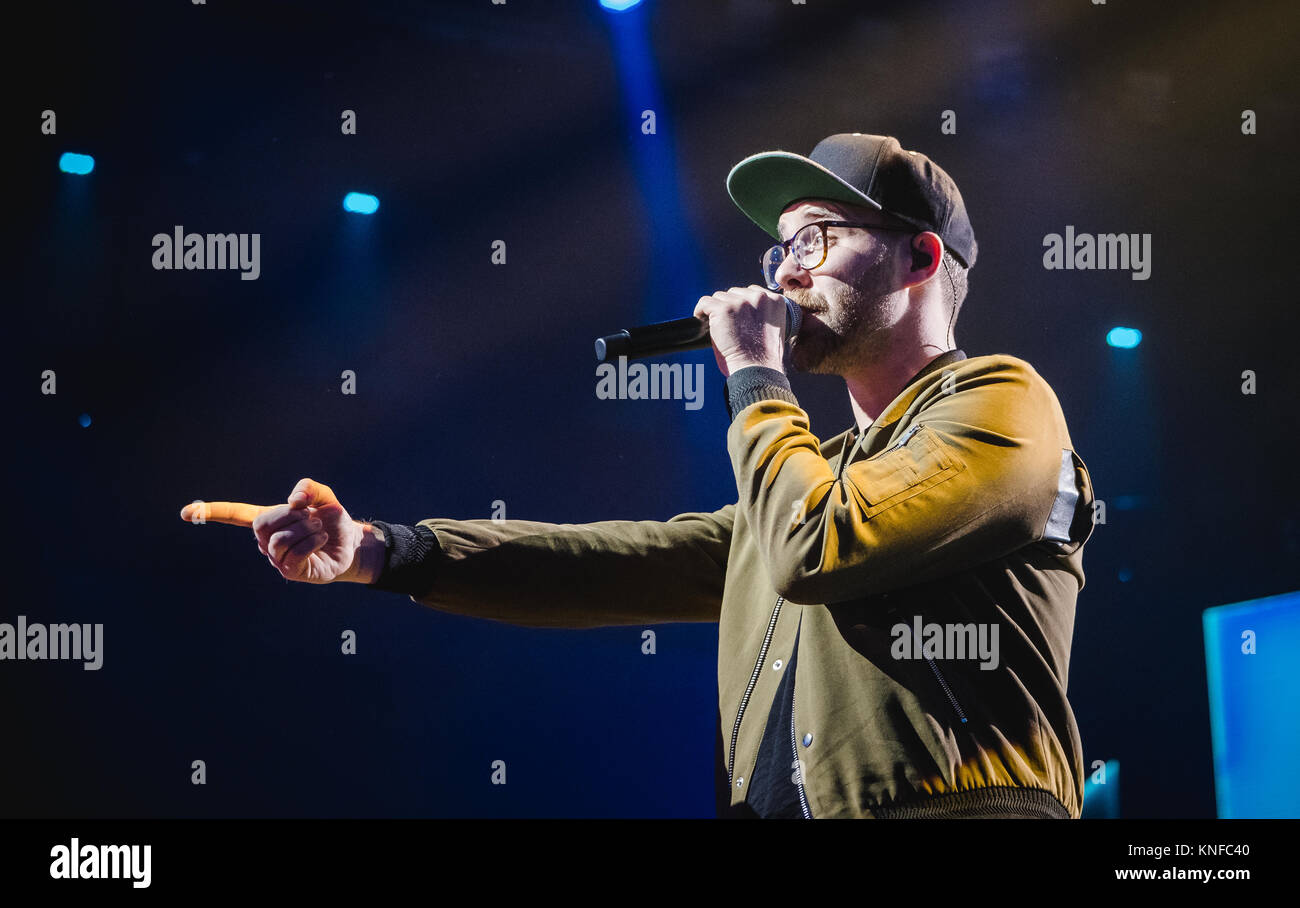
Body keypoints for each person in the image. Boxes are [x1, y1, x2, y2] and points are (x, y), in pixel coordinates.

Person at [181, 133, 1097, 819]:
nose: (787, 272)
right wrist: (381, 552)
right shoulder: (815, 474)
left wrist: (754, 374)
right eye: (780, 249)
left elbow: (813, 546)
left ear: (920, 256)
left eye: (816, 238)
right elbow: (619, 561)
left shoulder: (1003, 403)